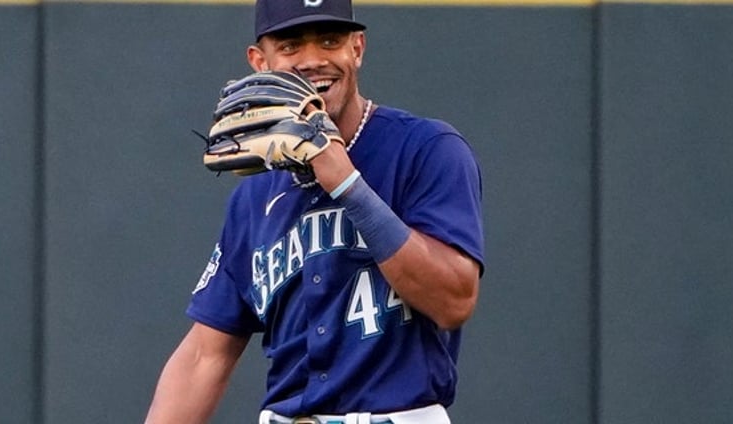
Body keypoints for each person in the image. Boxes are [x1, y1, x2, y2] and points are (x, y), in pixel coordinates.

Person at [145, 0, 484, 422]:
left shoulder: (426, 150)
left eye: (330, 41)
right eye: (290, 46)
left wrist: (345, 181)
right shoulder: (254, 195)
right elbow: (203, 355)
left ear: (357, 48)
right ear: (259, 61)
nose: (313, 61)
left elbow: (453, 300)